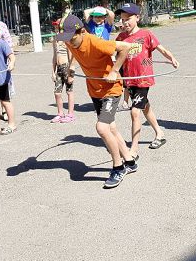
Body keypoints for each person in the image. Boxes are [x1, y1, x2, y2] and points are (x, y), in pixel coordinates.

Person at [55, 14, 137, 189]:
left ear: (82, 32)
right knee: (111, 127)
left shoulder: (96, 42)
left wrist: (114, 71)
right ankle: (130, 161)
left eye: (72, 38)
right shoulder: (70, 41)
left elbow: (125, 47)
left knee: (102, 128)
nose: (69, 42)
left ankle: (118, 167)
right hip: (95, 89)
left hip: (111, 89)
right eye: (66, 38)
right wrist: (72, 66)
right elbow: (74, 51)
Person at [114, 2, 179, 157]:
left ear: (137, 17)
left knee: (135, 112)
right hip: (130, 79)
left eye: (128, 18)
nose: (125, 22)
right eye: (122, 19)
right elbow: (115, 56)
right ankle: (159, 133)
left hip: (143, 79)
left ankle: (134, 149)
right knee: (145, 107)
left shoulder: (146, 34)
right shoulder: (121, 37)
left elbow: (161, 49)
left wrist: (172, 58)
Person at [50, 19, 76, 123]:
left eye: (58, 27)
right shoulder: (55, 40)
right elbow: (54, 56)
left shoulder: (67, 41)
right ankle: (60, 113)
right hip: (59, 69)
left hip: (67, 68)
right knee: (57, 93)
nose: (56, 28)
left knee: (69, 91)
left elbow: (71, 58)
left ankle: (70, 114)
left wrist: (71, 73)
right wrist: (53, 71)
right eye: (55, 27)